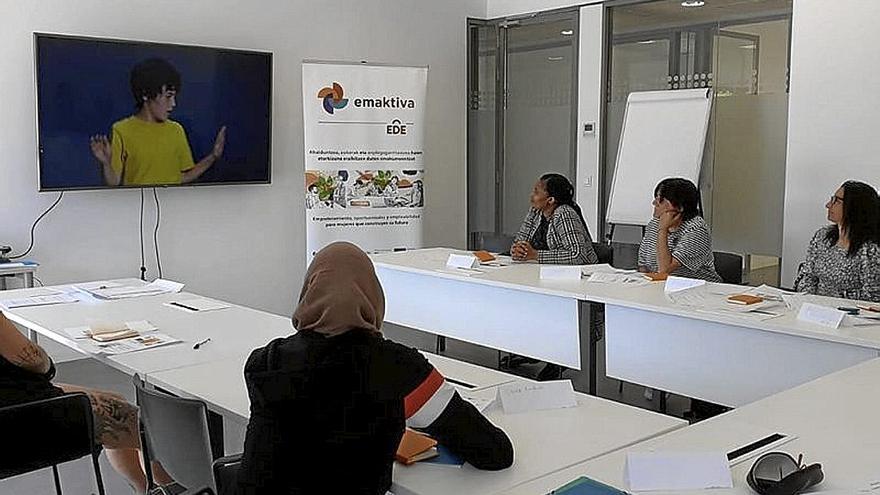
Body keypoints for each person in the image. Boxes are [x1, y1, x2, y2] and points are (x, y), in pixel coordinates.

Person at [236, 242, 514, 495]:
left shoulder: (265, 361)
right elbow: (494, 452)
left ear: (308, 290)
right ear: (372, 294)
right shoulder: (400, 369)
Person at [0, 312, 172, 493]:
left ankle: (143, 489)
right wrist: (47, 366)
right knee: (138, 426)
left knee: (115, 400)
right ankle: (168, 490)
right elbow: (31, 359)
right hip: (14, 420)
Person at [89, 58, 226, 186]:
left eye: (174, 97)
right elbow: (114, 182)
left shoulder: (176, 130)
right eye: (168, 97)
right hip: (135, 207)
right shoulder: (121, 130)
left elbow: (181, 178)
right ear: (145, 94)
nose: (173, 104)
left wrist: (213, 156)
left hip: (173, 205)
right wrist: (106, 163)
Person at [794, 181, 880, 301]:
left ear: (855, 208)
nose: (828, 205)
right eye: (832, 199)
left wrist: (831, 301)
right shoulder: (821, 236)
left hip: (851, 314)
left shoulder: (871, 248)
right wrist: (809, 300)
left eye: (837, 201)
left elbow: (873, 296)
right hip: (814, 308)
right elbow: (807, 275)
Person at [637, 177, 721, 282]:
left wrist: (663, 230)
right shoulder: (654, 224)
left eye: (660, 200)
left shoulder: (696, 229)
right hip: (660, 286)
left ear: (679, 207)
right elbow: (643, 266)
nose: (654, 203)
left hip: (696, 289)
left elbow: (665, 270)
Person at [511, 173, 598, 265]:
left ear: (550, 200)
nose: (532, 195)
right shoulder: (535, 211)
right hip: (543, 269)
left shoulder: (564, 213)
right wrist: (517, 250)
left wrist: (536, 255)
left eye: (536, 192)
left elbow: (577, 255)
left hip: (576, 274)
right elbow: (520, 241)